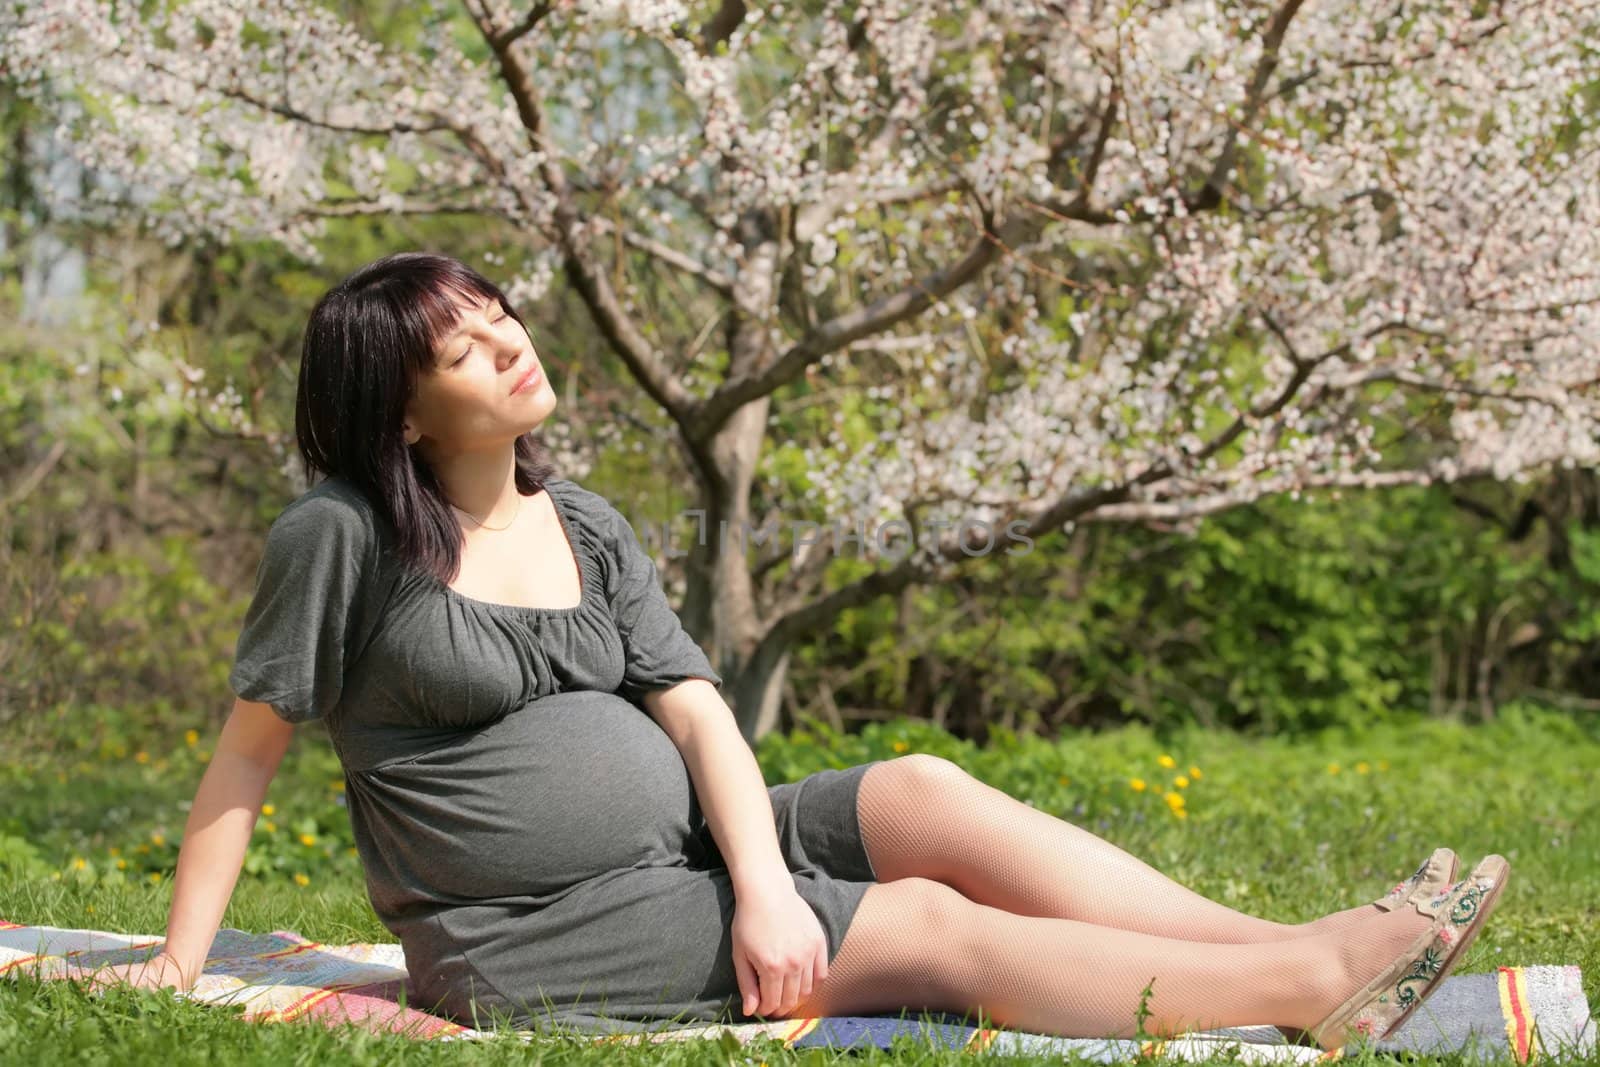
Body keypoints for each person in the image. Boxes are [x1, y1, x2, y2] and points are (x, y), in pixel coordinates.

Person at [85, 252, 1509, 1047]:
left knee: (924, 791)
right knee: (928, 932)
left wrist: (765, 884)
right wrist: (178, 967)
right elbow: (243, 763)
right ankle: (1306, 991)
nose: (512, 345)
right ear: (401, 411)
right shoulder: (338, 539)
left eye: (503, 315)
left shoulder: (578, 517)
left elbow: (699, 715)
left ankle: (1302, 946)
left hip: (685, 858)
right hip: (531, 934)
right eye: (463, 347)